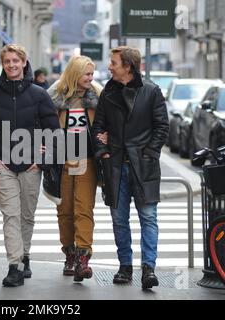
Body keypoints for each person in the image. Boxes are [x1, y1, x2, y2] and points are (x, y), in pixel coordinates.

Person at [0, 44, 60, 287]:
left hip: (32, 165)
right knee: (10, 215)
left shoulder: (39, 94)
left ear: (24, 62)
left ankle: (25, 255)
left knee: (26, 215)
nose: (11, 65)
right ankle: (14, 266)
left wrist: (42, 159)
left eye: (15, 61)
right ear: (3, 64)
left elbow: (53, 131)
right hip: (4, 166)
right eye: (7, 61)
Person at [91, 46, 169, 289]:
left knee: (148, 217)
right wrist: (102, 150)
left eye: (114, 62)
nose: (110, 66)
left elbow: (162, 127)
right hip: (115, 166)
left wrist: (148, 153)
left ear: (128, 66)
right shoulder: (107, 93)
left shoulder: (151, 92)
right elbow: (97, 128)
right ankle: (125, 266)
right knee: (119, 219)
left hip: (142, 166)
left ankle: (149, 269)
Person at [47, 55, 106, 282]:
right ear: (74, 74)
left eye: (92, 74)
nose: (90, 78)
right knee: (65, 210)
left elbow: (104, 125)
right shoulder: (56, 98)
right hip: (62, 160)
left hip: (87, 159)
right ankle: (69, 254)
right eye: (86, 74)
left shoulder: (98, 98)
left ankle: (83, 258)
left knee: (84, 209)